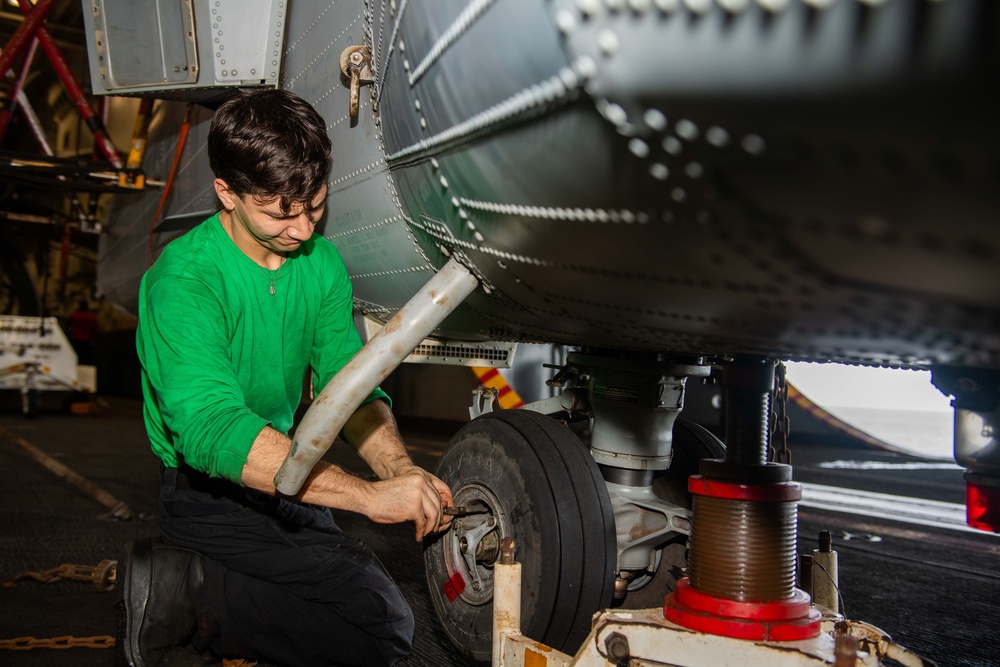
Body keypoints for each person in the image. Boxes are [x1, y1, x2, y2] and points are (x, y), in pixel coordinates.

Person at [121, 88, 454, 667]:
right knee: (380, 626)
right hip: (208, 488)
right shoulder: (184, 280)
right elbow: (215, 432)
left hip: (284, 472)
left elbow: (347, 390)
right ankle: (185, 587)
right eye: (281, 211)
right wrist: (368, 497)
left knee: (360, 604)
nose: (302, 230)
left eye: (315, 206)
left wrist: (401, 472)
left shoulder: (319, 264)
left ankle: (211, 583)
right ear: (227, 192)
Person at [66, 299, 98, 365]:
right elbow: (94, 329)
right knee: (86, 359)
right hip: (87, 340)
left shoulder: (75, 315)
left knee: (76, 357)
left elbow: (68, 324)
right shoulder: (91, 317)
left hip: (76, 339)